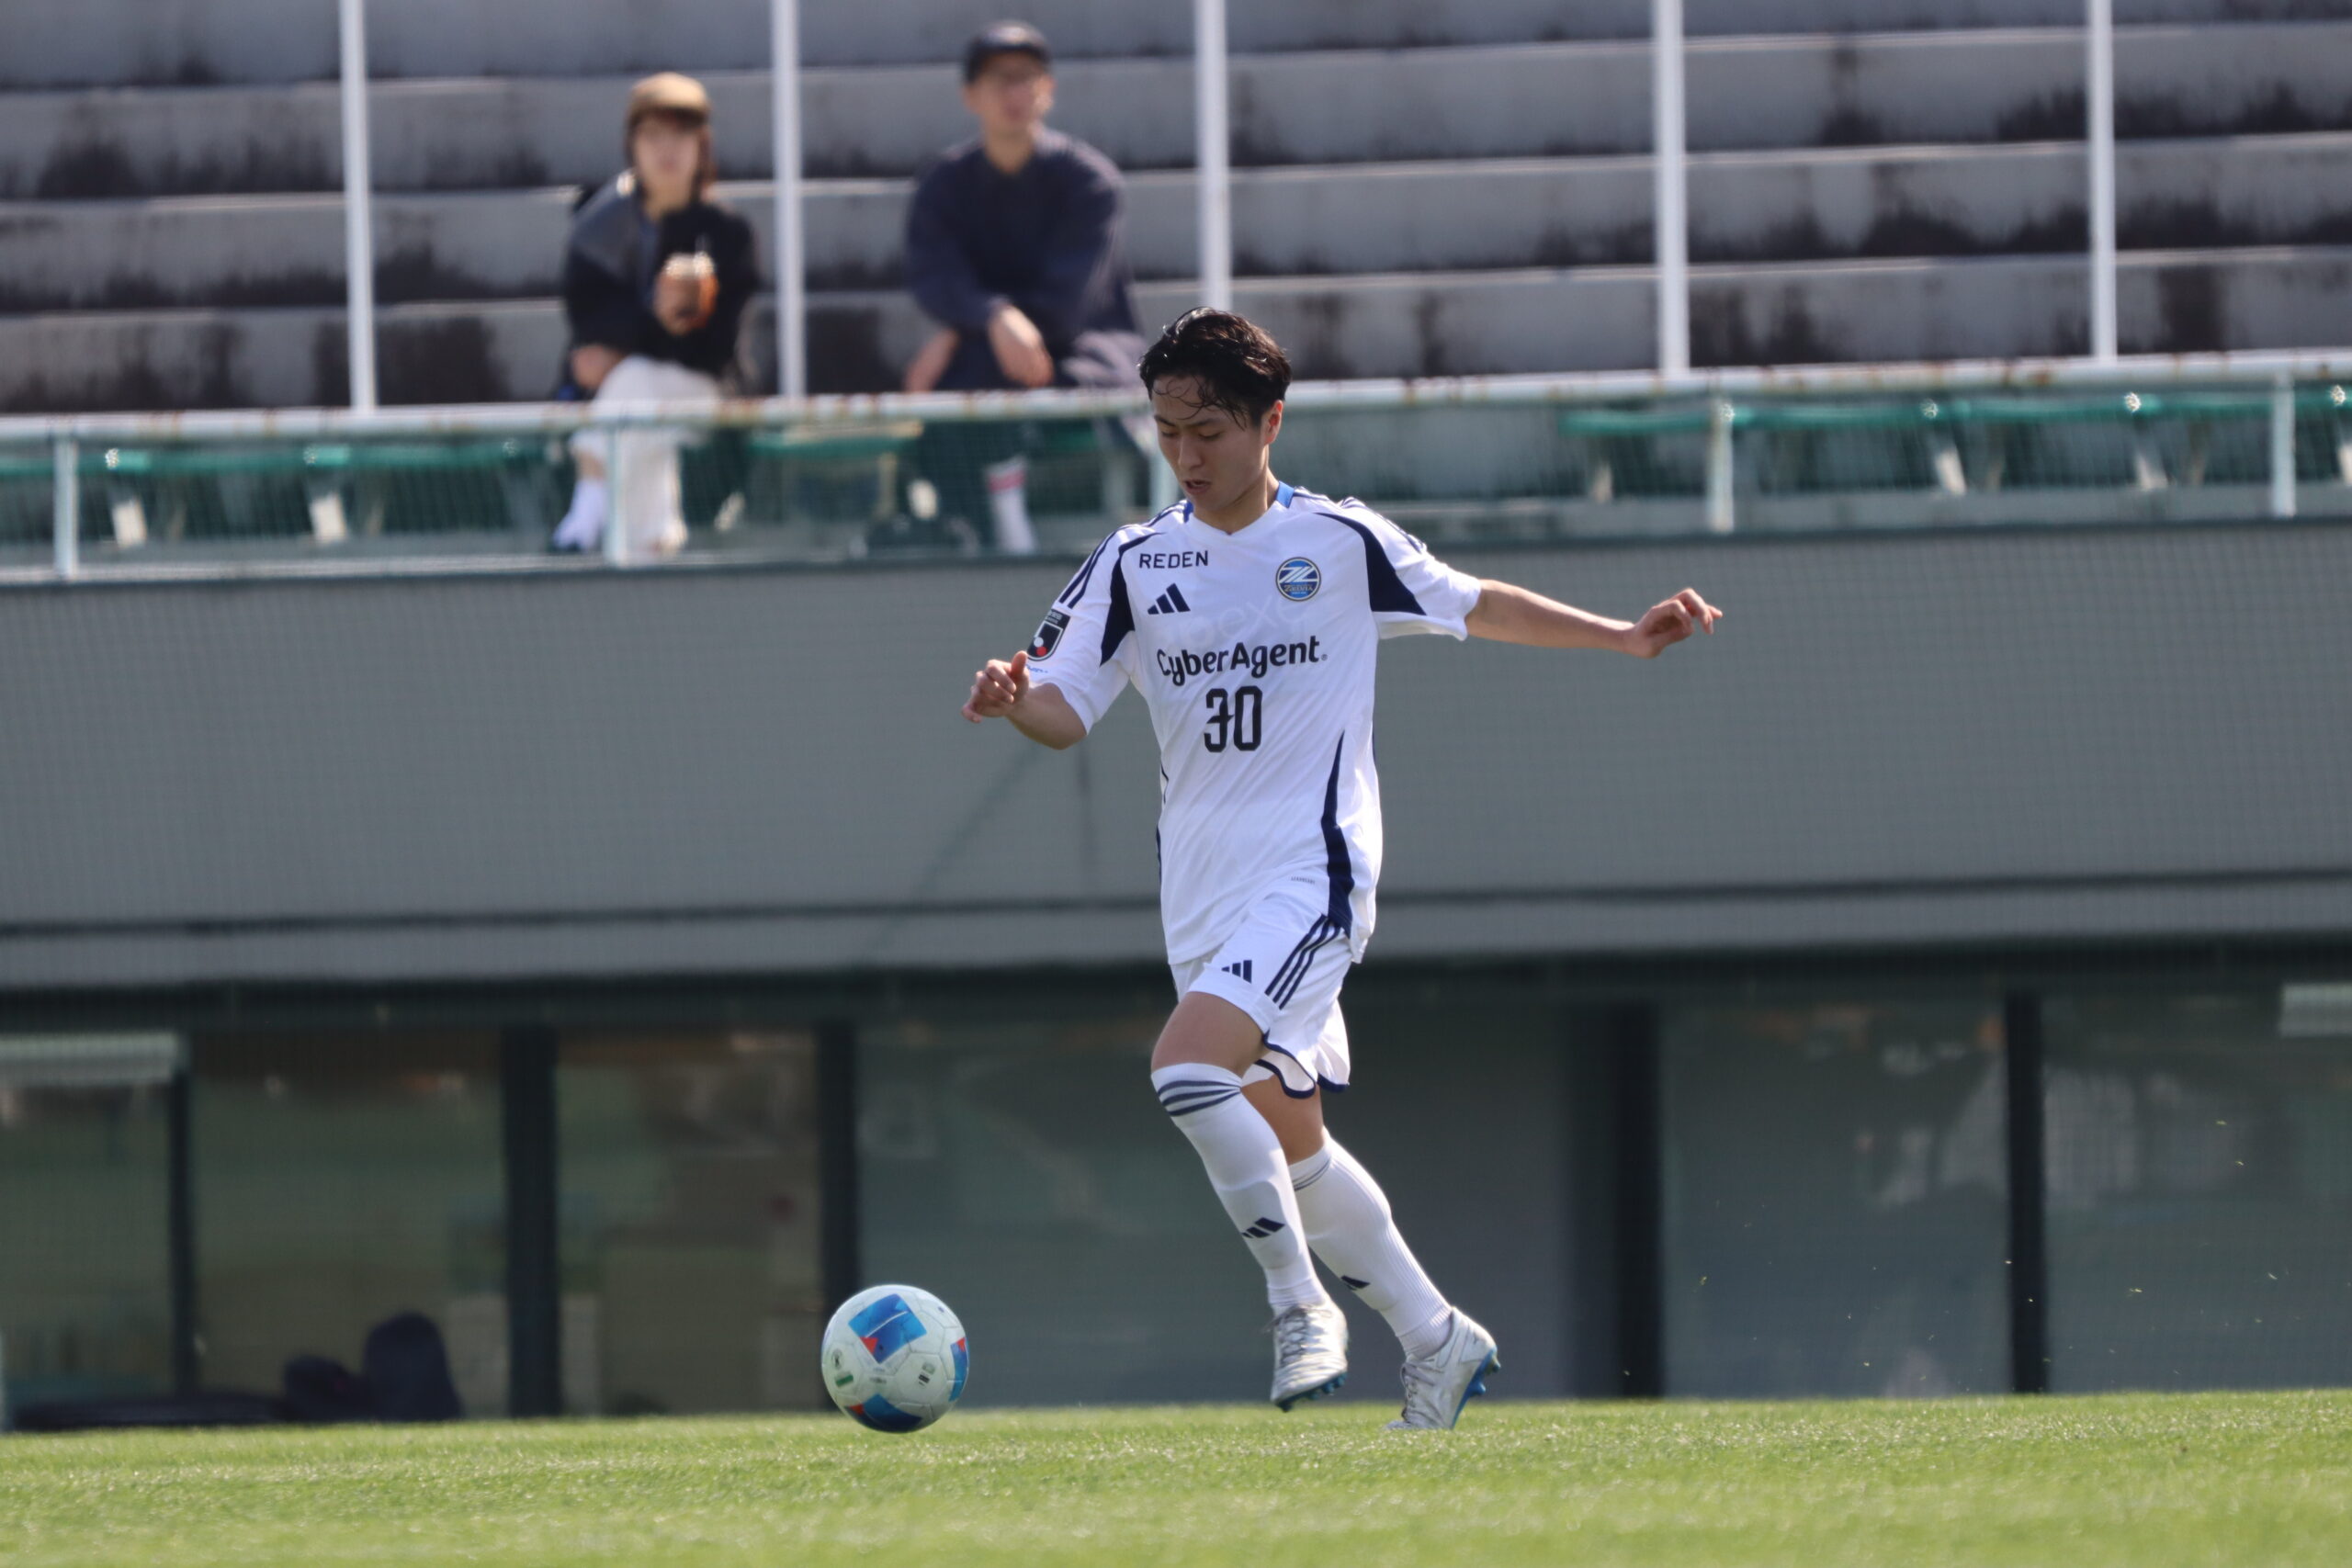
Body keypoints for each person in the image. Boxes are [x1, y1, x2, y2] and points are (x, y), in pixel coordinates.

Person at [960, 309, 1724, 1429]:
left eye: (1208, 430)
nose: (1185, 454)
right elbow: (1064, 710)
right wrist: (1010, 699)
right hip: (1201, 894)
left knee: (1184, 1071)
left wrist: (1621, 634)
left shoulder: (1337, 541)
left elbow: (1474, 602)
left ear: (1269, 422)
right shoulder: (1132, 562)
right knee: (1286, 1135)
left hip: (1312, 871)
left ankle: (1297, 1305)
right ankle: (1436, 1336)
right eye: (1166, 431)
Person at [899, 22, 1148, 549]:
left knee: (992, 373)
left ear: (1048, 88)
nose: (1014, 92)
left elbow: (1070, 302)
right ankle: (974, 528)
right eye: (998, 79)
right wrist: (991, 317)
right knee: (961, 385)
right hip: (982, 348)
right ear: (970, 95)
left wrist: (966, 328)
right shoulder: (943, 183)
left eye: (1026, 77)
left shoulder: (1089, 181)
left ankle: (1017, 518)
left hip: (1081, 350)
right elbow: (934, 274)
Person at [551, 73, 759, 558]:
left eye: (682, 135)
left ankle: (588, 506)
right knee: (640, 403)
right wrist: (654, 321)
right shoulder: (599, 227)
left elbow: (715, 349)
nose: (668, 150)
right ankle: (651, 547)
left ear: (702, 145)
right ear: (632, 144)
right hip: (617, 401)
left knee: (635, 379)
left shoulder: (727, 233)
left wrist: (669, 322)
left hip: (705, 396)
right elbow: (588, 326)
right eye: (653, 135)